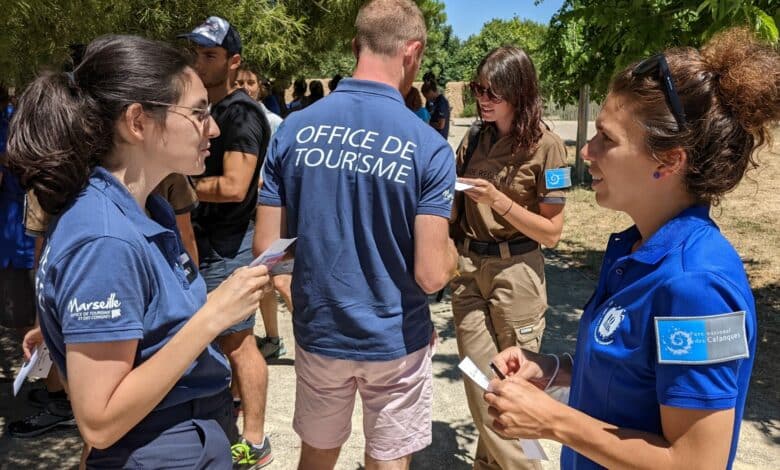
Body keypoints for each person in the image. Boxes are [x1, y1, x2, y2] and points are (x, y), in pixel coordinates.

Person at [484, 28, 778, 470]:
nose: (586, 151)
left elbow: (697, 462)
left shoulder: (696, 286)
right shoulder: (635, 251)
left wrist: (553, 422)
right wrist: (553, 370)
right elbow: (633, 383)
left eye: (607, 138)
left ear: (669, 161)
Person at [6, 34, 271, 468]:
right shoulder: (105, 238)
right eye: (199, 114)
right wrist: (213, 317)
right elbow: (100, 421)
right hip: (158, 448)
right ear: (138, 122)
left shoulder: (146, 210)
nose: (215, 128)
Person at [255, 0, 458, 468]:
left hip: (320, 332)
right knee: (388, 459)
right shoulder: (428, 145)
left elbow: (267, 250)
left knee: (317, 455)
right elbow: (430, 275)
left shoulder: (292, 131)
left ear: (354, 46)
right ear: (413, 51)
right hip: (394, 340)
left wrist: (295, 292)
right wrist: (453, 258)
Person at [450, 46, 568, 470]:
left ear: (520, 92)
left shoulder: (549, 148)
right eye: (479, 89)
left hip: (516, 273)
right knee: (478, 379)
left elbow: (552, 233)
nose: (483, 99)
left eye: (493, 92)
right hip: (468, 272)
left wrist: (499, 201)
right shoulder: (474, 139)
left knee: (513, 390)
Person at [179, 16, 274, 469]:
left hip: (230, 244)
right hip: (204, 240)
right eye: (196, 54)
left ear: (234, 62)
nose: (200, 62)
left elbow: (237, 185)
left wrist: (175, 186)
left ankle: (254, 440)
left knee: (238, 343)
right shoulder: (208, 109)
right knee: (215, 343)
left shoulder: (240, 114)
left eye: (210, 55)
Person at [234, 62, 288, 359]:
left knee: (282, 280)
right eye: (239, 83)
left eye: (250, 83)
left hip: (269, 212)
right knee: (263, 280)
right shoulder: (228, 118)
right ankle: (273, 338)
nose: (244, 88)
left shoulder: (276, 123)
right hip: (247, 215)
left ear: (260, 87)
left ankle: (310, 341)